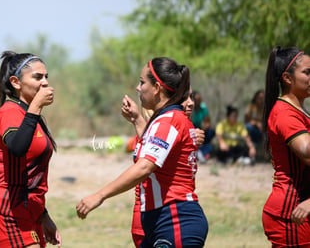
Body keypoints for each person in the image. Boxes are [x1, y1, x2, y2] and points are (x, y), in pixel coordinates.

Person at [76, 57, 208, 247]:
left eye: (142, 82)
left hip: (175, 219)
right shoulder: (168, 119)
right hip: (163, 221)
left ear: (156, 88)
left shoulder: (168, 120)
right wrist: (138, 120)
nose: (138, 88)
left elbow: (144, 167)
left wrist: (99, 196)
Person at [0, 51, 62, 248]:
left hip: (30, 213)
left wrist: (44, 215)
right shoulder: (10, 112)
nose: (45, 82)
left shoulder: (29, 116)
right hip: (8, 213)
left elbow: (29, 175)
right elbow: (17, 148)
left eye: (46, 77)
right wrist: (35, 106)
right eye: (37, 77)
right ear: (16, 82)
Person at [122, 90, 205, 247]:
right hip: (154, 215)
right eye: (184, 97)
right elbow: (145, 167)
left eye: (191, 97)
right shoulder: (161, 130)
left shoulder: (180, 128)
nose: (190, 103)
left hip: (167, 215)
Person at [261, 46, 310, 247]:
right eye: (307, 72)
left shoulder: (299, 110)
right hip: (292, 213)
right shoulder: (285, 114)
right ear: (287, 78)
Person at [192, 91, 215, 163]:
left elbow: (207, 122)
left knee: (211, 132)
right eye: (196, 100)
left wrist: (202, 130)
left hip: (200, 129)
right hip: (191, 129)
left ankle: (201, 151)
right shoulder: (190, 108)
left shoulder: (203, 108)